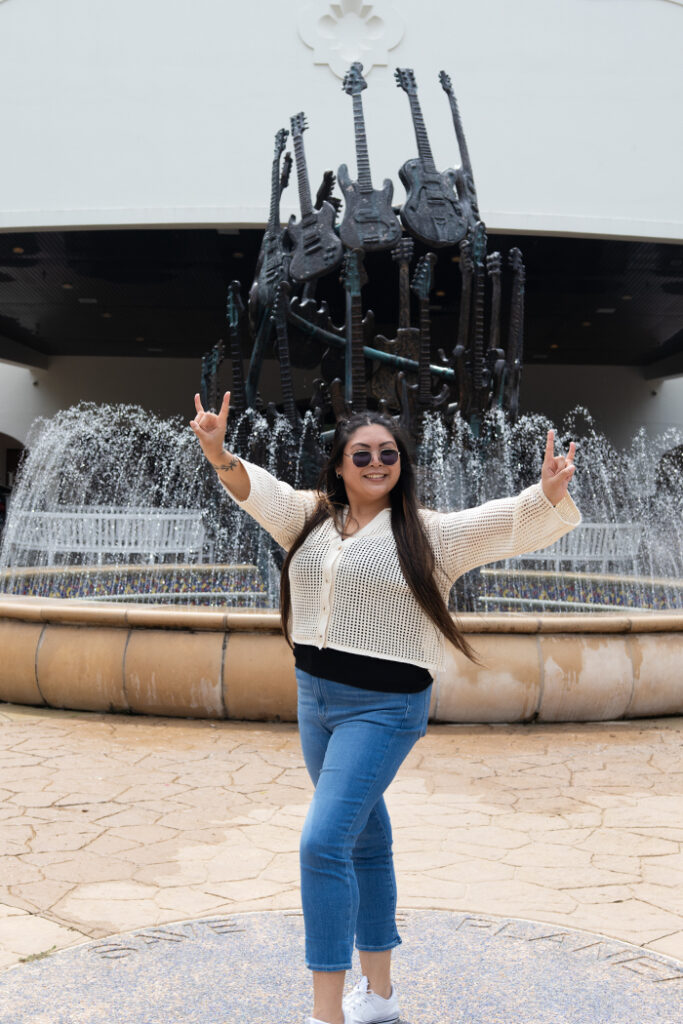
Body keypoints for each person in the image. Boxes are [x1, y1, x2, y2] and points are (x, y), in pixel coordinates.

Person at [190, 391, 580, 1024]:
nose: (376, 463)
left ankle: (326, 1015)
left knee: (322, 843)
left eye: (388, 454)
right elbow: (257, 492)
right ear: (340, 466)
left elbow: (503, 521)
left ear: (402, 463)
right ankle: (379, 996)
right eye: (361, 454)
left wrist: (548, 495)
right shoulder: (311, 517)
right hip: (315, 696)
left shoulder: (427, 533)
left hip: (386, 705)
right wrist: (220, 453)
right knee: (365, 838)